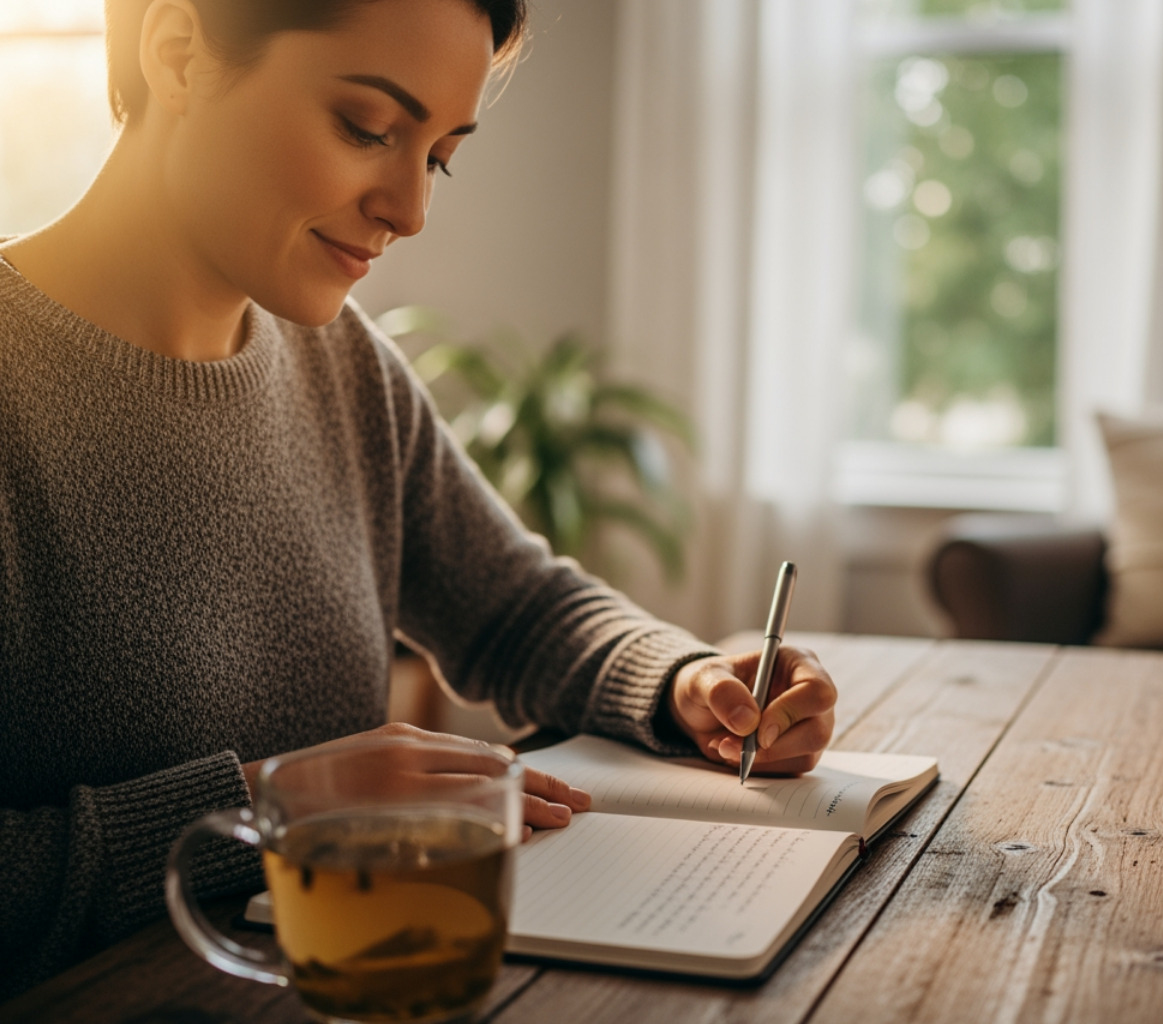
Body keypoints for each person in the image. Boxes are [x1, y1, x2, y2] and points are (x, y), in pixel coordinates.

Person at [0, 0, 837, 999]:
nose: (410, 209)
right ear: (177, 52)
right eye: (366, 128)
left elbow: (520, 610)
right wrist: (271, 805)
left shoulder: (343, 364)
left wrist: (685, 684)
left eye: (437, 154)